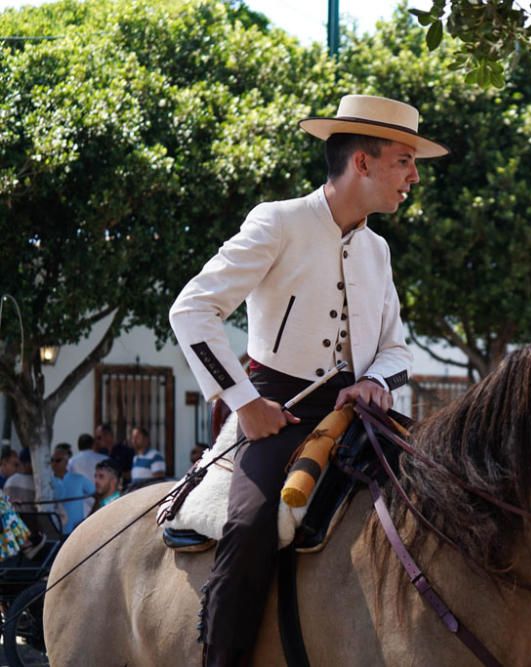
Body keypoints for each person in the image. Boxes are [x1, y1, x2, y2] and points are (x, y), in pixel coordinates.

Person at [169, 94, 445, 665]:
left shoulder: (379, 250)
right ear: (362, 163)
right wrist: (244, 402)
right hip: (277, 411)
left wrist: (374, 381)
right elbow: (191, 310)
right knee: (249, 525)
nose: (414, 176)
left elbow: (397, 349)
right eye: (404, 160)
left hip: (364, 416)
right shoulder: (279, 221)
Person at [50, 445, 95, 535]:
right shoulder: (47, 482)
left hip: (76, 532)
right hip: (55, 532)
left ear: (66, 462)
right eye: (52, 460)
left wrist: (88, 518)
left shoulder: (79, 479)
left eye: (58, 460)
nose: (54, 463)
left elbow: (98, 494)